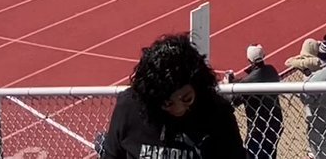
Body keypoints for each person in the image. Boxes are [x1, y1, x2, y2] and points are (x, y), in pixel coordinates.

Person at [102, 33, 243, 159]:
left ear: (198, 86)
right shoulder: (129, 107)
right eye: (167, 104)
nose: (179, 109)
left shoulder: (217, 112)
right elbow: (112, 155)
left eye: (187, 98)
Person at [227, 45, 283, 159]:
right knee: (270, 152)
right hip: (275, 121)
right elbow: (252, 78)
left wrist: (230, 84)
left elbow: (235, 99)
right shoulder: (271, 70)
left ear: (249, 60)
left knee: (253, 153)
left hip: (258, 126)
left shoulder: (247, 83)